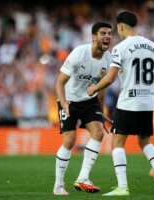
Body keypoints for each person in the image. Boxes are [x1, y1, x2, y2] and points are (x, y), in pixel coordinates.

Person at [87, 11, 154, 196]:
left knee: (117, 143)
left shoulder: (120, 48)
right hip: (147, 102)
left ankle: (122, 187)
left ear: (121, 27)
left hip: (128, 101)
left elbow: (110, 78)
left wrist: (94, 88)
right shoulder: (152, 46)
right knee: (145, 141)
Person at [53, 22, 112, 196]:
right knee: (70, 140)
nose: (107, 36)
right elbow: (59, 82)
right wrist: (63, 103)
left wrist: (101, 113)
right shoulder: (79, 53)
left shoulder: (109, 59)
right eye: (103, 33)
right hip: (69, 100)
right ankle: (58, 185)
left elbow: (102, 88)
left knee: (98, 133)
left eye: (109, 33)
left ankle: (83, 177)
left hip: (89, 101)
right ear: (93, 37)